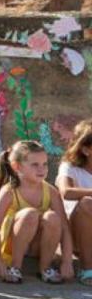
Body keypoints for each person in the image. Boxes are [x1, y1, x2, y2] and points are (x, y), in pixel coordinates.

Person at [0, 140, 74, 284]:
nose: (42, 169)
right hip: (10, 248)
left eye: (44, 164)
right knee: (29, 214)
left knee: (52, 217)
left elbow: (65, 227)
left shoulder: (51, 192)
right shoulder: (9, 191)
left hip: (35, 248)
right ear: (17, 166)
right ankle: (15, 267)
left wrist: (67, 261)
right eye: (35, 165)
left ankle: (45, 268)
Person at [56, 120, 92, 285]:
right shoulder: (69, 167)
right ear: (86, 150)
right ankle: (87, 269)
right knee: (86, 203)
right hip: (78, 234)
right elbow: (66, 192)